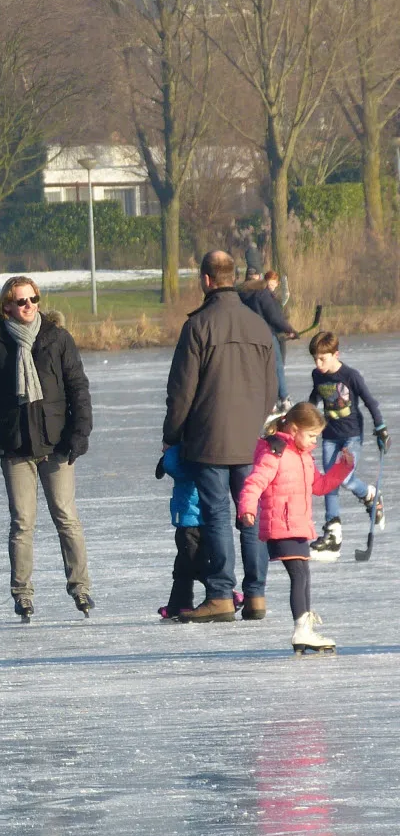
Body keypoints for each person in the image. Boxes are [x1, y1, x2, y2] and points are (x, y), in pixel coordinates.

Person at [0, 275, 94, 621]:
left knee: (66, 517)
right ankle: (22, 593)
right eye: (21, 301)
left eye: (33, 299)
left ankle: (80, 586)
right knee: (22, 522)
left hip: (57, 444)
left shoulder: (57, 339)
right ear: (6, 306)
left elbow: (78, 388)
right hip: (16, 446)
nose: (29, 306)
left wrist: (79, 433)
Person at [162, 249, 277, 623]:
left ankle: (221, 595)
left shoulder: (198, 326)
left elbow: (182, 390)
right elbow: (271, 388)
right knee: (250, 513)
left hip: (208, 439)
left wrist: (172, 435)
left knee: (215, 515)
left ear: (207, 280)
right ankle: (256, 595)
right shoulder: (258, 324)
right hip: (248, 438)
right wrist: (255, 424)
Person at [237, 403, 356, 652]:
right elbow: (254, 482)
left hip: (298, 525)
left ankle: (304, 628)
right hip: (282, 524)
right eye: (311, 435)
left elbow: (320, 486)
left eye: (316, 437)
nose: (314, 441)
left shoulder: (303, 456)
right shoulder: (274, 453)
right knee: (300, 574)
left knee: (303, 575)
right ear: (294, 429)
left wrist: (342, 468)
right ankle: (301, 629)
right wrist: (247, 507)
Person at [307, 331, 387, 560]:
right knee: (328, 482)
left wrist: (381, 428)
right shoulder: (317, 375)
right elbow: (315, 397)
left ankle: (370, 495)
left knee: (342, 478)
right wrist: (305, 418)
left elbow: (370, 401)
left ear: (335, 354)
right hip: (330, 436)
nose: (318, 363)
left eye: (323, 358)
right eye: (315, 359)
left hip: (351, 436)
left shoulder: (350, 376)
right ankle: (333, 532)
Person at [155, 445, 206, 619]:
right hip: (193, 517)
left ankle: (225, 593)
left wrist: (169, 449)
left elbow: (172, 465)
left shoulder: (187, 456)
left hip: (190, 518)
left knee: (193, 562)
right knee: (182, 565)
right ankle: (178, 604)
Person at [239, 270, 297, 406]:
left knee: (256, 368)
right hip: (266, 335)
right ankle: (283, 398)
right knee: (277, 365)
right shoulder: (262, 293)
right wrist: (289, 330)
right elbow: (274, 317)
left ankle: (261, 399)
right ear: (259, 278)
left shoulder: (239, 295)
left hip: (246, 337)